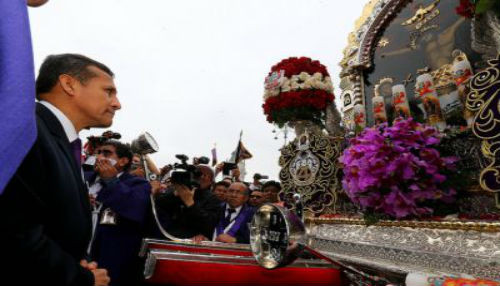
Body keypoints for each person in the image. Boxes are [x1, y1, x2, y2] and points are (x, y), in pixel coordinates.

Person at [0, 54, 120, 286]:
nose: (117, 103)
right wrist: (79, 278)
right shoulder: (25, 130)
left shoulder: (58, 140)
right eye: (108, 91)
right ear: (69, 84)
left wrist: (79, 262)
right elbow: (13, 231)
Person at [86, 140, 151, 286]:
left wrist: (111, 181)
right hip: (75, 257)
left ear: (123, 161)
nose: (100, 157)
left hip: (109, 262)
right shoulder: (83, 179)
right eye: (98, 153)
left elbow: (134, 209)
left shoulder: (138, 184)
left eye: (106, 153)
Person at [154, 165, 221, 239]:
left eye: (205, 175)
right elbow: (158, 207)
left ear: (211, 181)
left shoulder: (213, 199)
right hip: (168, 236)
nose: (201, 177)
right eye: (198, 174)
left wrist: (190, 203)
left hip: (193, 241)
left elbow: (209, 224)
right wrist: (174, 194)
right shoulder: (176, 191)